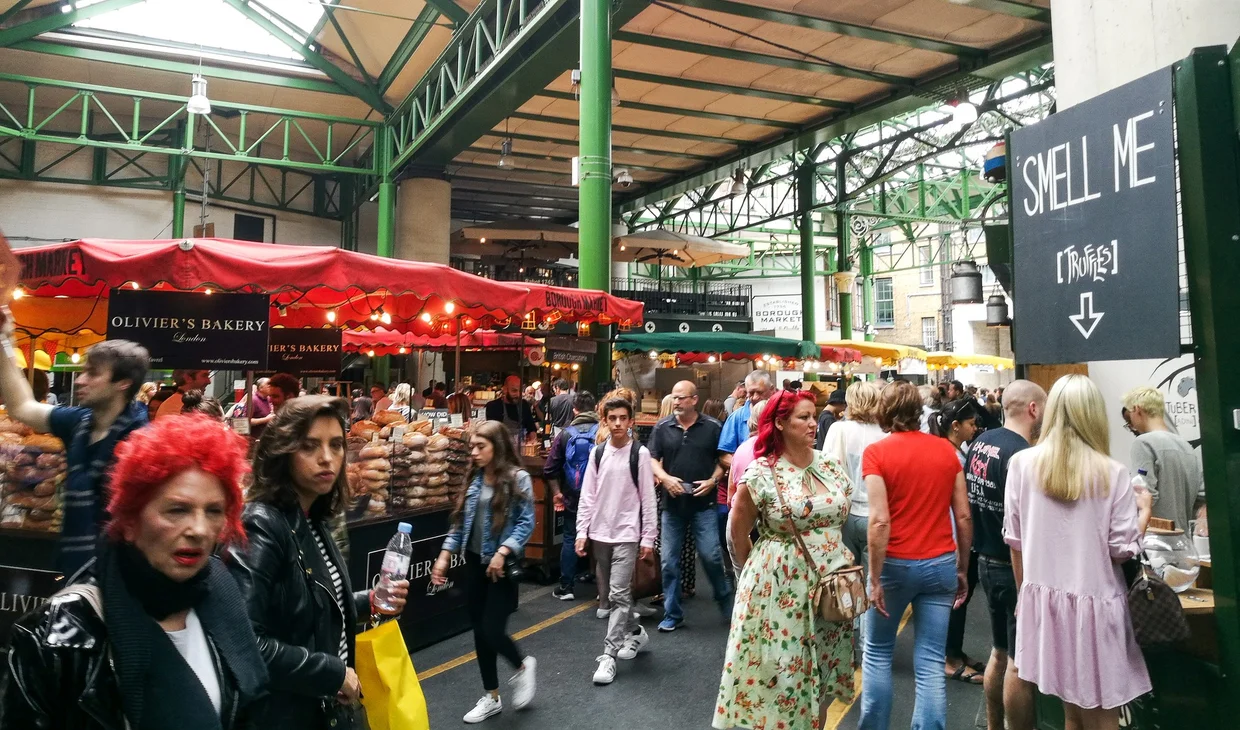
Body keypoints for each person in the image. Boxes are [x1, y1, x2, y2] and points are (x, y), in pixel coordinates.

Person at [0, 414, 267, 729]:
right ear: (129, 522)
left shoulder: (222, 589)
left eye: (213, 511)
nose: (199, 529)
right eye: (177, 509)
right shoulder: (59, 633)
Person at [228, 396, 410, 728]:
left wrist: (368, 600)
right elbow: (245, 641)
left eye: (336, 445)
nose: (327, 458)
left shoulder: (312, 518)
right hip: (284, 715)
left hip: (322, 710)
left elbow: (309, 607)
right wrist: (332, 672)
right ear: (283, 451)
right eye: (309, 446)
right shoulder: (263, 524)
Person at [1004, 375, 1153, 730]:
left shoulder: (1022, 465)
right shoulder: (1112, 472)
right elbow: (1121, 549)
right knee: (1103, 715)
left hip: (1045, 606)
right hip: (1096, 607)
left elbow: (1015, 540)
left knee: (1071, 712)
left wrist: (1024, 596)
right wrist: (1143, 513)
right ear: (1094, 415)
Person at [717, 389, 856, 730]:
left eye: (814, 416)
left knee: (819, 676)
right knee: (783, 677)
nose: (813, 424)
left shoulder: (829, 465)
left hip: (830, 588)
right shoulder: (762, 473)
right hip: (779, 588)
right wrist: (756, 574)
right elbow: (738, 532)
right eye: (803, 418)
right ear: (779, 424)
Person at [858, 380, 972, 729]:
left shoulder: (876, 453)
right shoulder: (945, 452)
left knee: (877, 653)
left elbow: (879, 521)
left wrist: (874, 577)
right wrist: (962, 569)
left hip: (893, 564)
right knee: (930, 661)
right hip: (940, 563)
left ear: (884, 411)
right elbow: (963, 516)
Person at [0, 317, 150, 576]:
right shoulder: (80, 423)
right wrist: (4, 340)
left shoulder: (141, 443)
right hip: (74, 569)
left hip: (121, 577)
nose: (80, 381)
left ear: (123, 383)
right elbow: (22, 407)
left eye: (93, 373)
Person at [432, 420, 537, 724]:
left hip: (500, 568)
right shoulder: (474, 479)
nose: (474, 452)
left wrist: (503, 552)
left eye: (481, 446)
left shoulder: (518, 478)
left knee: (492, 628)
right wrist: (444, 555)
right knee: (479, 632)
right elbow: (459, 523)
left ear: (498, 446)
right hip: (474, 562)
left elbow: (525, 523)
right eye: (472, 446)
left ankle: (521, 665)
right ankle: (491, 696)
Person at [966, 380, 1046, 730]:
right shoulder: (1021, 454)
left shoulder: (981, 442)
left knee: (999, 652)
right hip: (1012, 566)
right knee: (1019, 661)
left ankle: (993, 725)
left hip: (984, 557)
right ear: (1033, 409)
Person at [577, 397, 658, 685]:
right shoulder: (598, 453)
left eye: (623, 418)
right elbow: (588, 494)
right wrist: (581, 532)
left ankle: (608, 655)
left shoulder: (641, 454)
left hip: (626, 533)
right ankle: (635, 631)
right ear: (605, 421)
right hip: (600, 533)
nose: (618, 424)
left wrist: (648, 536)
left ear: (631, 421)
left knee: (619, 593)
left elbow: (648, 499)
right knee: (615, 596)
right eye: (613, 418)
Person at [649, 380, 731, 632]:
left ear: (694, 400)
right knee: (668, 561)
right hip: (672, 505)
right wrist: (664, 478)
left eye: (681, 397)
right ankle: (673, 613)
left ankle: (725, 599)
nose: (675, 402)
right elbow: (652, 459)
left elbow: (723, 460)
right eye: (673, 397)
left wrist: (712, 480)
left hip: (703, 503)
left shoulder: (713, 427)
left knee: (711, 556)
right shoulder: (663, 427)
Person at [931, 397, 984, 684]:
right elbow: (959, 510)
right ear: (955, 426)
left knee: (961, 598)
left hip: (957, 536)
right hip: (953, 537)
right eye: (971, 424)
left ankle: (955, 651)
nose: (975, 428)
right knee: (957, 599)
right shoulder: (951, 455)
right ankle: (949, 658)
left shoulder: (955, 451)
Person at [821, 381, 886, 579]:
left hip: (846, 514)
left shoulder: (838, 430)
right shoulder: (885, 433)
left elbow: (828, 471)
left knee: (847, 581)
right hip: (878, 514)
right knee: (872, 581)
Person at [1122, 385, 1205, 530]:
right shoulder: (1187, 447)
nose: (1131, 425)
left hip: (1155, 539)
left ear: (1137, 409)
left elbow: (1143, 493)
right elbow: (1200, 496)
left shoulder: (1143, 443)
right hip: (1183, 540)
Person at [543, 390, 600, 602]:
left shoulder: (565, 434)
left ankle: (566, 586)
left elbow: (550, 469)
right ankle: (601, 586)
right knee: (600, 538)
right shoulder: (603, 432)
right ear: (595, 408)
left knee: (570, 537)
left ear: (575, 409)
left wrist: (557, 493)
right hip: (600, 496)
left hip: (573, 496)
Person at [485, 374, 538, 442]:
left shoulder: (524, 405)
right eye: (514, 391)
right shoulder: (493, 406)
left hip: (521, 448)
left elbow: (531, 429)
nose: (518, 394)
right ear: (505, 390)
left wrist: (533, 443)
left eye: (520, 390)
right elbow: (490, 434)